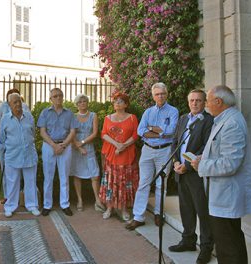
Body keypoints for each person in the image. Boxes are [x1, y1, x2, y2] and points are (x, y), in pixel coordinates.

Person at [192, 85, 251, 264]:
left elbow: (230, 163)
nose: (205, 105)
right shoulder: (224, 119)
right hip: (221, 194)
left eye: (208, 101)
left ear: (218, 101)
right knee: (227, 242)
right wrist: (202, 157)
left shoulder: (232, 123)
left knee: (228, 246)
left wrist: (202, 165)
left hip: (227, 194)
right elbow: (220, 152)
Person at [168, 89, 214, 264]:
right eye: (192, 100)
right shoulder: (183, 119)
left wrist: (187, 166)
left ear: (204, 103)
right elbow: (175, 142)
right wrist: (175, 164)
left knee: (202, 212)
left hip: (197, 173)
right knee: (186, 209)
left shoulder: (208, 121)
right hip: (180, 171)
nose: (194, 103)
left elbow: (206, 148)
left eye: (198, 100)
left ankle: (206, 248)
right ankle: (188, 241)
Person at [126, 82, 178, 230]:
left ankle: (158, 214)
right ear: (153, 96)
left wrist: (152, 130)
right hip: (147, 150)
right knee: (143, 183)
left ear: (166, 94)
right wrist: (160, 131)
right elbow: (140, 130)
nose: (160, 96)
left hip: (165, 150)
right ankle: (138, 217)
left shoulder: (173, 111)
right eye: (157, 94)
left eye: (162, 93)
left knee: (162, 184)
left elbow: (172, 130)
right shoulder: (148, 112)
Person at [37, 88, 78, 216]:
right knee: (48, 177)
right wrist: (54, 145)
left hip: (65, 146)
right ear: (51, 99)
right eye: (55, 96)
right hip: (49, 146)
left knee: (64, 177)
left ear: (63, 97)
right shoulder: (45, 113)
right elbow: (42, 131)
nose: (58, 98)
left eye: (60, 95)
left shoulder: (69, 113)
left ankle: (65, 204)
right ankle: (47, 205)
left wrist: (64, 144)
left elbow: (73, 131)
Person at [0, 93, 40, 217]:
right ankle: (10, 206)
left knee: (30, 181)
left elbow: (33, 133)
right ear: (9, 105)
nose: (18, 104)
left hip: (29, 154)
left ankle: (32, 205)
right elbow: (2, 138)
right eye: (14, 102)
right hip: (12, 155)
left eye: (19, 102)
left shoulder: (29, 117)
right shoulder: (5, 119)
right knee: (12, 182)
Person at [100, 92, 139, 221]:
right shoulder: (107, 118)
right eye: (116, 100)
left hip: (127, 154)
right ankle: (110, 207)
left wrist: (123, 145)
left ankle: (124, 209)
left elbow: (135, 135)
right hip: (112, 153)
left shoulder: (132, 118)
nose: (117, 103)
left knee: (125, 181)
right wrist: (116, 144)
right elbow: (104, 134)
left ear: (126, 104)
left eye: (121, 101)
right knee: (111, 181)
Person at [0, 89, 30, 202]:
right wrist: (2, 133)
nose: (15, 102)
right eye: (11, 99)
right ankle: (7, 196)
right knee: (6, 170)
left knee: (22, 171)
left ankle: (20, 195)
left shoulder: (24, 106)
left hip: (20, 145)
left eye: (16, 99)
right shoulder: (2, 107)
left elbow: (29, 123)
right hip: (6, 144)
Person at [70, 94, 103, 213]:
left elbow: (94, 133)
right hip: (76, 149)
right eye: (80, 102)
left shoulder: (93, 115)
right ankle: (79, 200)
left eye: (84, 101)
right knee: (77, 175)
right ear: (77, 104)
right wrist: (78, 147)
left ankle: (98, 200)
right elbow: (71, 134)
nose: (83, 103)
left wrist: (82, 143)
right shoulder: (73, 117)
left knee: (95, 175)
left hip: (88, 147)